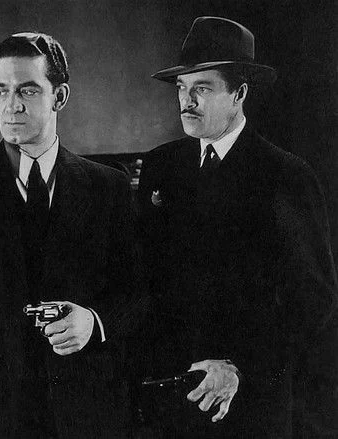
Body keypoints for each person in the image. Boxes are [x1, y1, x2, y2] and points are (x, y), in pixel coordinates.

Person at [0, 32, 146, 438]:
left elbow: (138, 292)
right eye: (1, 92)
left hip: (86, 412)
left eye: (27, 90)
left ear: (59, 96)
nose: (11, 106)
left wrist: (94, 321)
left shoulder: (109, 187)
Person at [136, 16, 338, 437]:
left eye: (203, 88)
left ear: (239, 94)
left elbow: (313, 299)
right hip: (169, 399)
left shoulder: (285, 176)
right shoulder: (161, 166)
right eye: (182, 88)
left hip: (248, 404)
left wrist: (240, 369)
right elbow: (143, 277)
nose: (186, 101)